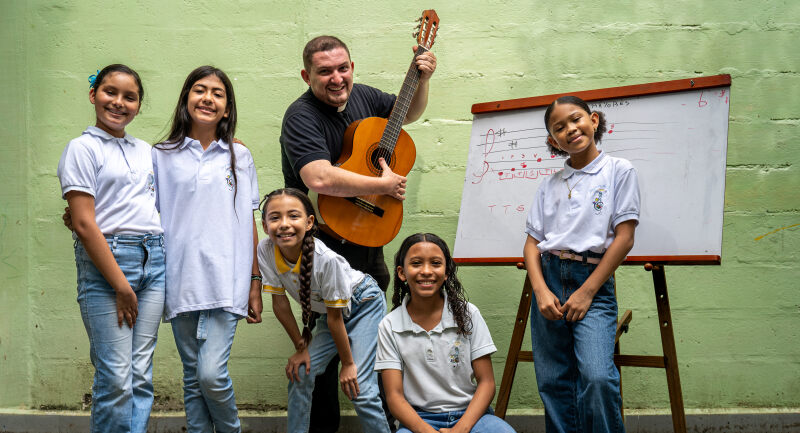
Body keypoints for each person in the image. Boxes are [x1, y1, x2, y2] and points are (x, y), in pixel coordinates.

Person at [279, 35, 437, 431]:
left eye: (343, 67)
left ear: (352, 66)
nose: (337, 78)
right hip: (322, 250)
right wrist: (381, 186)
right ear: (307, 75)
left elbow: (409, 115)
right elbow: (318, 175)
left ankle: (388, 423)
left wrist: (424, 79)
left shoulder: (364, 96)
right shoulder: (301, 116)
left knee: (376, 349)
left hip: (369, 243)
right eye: (325, 71)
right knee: (323, 359)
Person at [152, 65, 262, 433]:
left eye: (218, 93)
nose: (208, 98)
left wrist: (254, 282)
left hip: (226, 278)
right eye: (200, 90)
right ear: (186, 98)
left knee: (211, 374)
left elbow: (249, 221)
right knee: (191, 376)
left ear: (227, 108)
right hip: (179, 277)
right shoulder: (160, 155)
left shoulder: (239, 156)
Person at [57, 64, 165, 433]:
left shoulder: (145, 151)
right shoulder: (81, 148)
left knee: (139, 375)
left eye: (129, 97)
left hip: (154, 262)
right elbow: (85, 223)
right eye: (110, 93)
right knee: (116, 377)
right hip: (108, 266)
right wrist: (121, 285)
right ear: (93, 95)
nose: (118, 102)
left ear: (138, 105)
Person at [522, 95, 640, 433]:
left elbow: (625, 238)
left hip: (593, 280)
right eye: (559, 127)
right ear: (553, 140)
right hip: (549, 279)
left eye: (576, 119)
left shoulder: (619, 170)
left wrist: (588, 291)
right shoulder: (550, 185)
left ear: (594, 120)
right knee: (554, 380)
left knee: (597, 376)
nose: (570, 129)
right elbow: (531, 245)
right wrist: (540, 290)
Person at [257, 188, 391, 433]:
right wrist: (300, 348)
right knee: (299, 372)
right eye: (275, 217)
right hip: (333, 316)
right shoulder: (265, 249)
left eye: (293, 216)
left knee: (360, 387)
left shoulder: (325, 259)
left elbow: (335, 318)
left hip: (364, 304)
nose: (284, 224)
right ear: (265, 226)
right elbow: (280, 304)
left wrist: (348, 364)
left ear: (309, 223)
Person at [375, 233, 516, 433]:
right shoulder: (390, 325)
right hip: (419, 421)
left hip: (472, 416)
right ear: (402, 272)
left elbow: (487, 383)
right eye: (416, 263)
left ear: (447, 271)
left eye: (435, 263)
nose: (426, 271)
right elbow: (394, 397)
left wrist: (460, 430)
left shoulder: (469, 314)